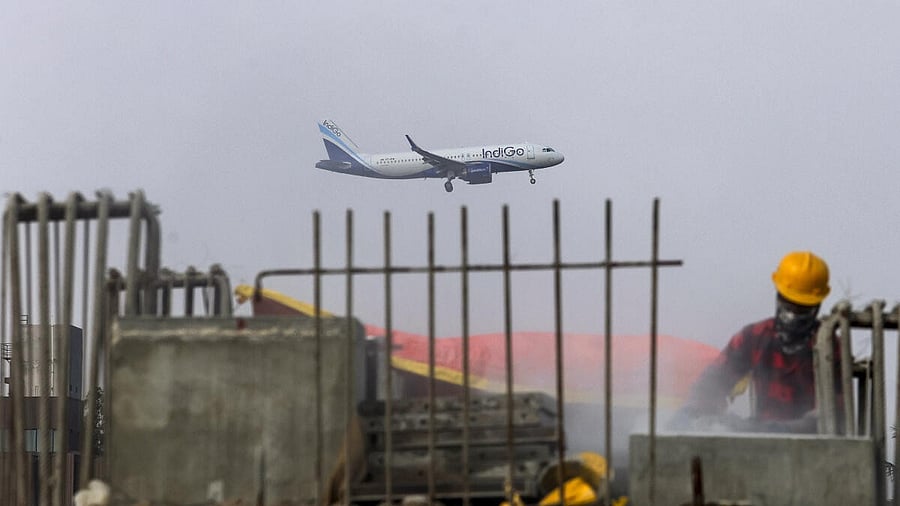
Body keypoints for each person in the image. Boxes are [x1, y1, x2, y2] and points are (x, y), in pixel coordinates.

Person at [670, 251, 841, 433]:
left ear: (817, 306)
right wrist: (692, 412)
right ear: (778, 297)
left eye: (802, 308)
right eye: (789, 305)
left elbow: (831, 415)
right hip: (760, 443)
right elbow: (713, 381)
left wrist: (774, 430)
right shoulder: (754, 337)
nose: (793, 315)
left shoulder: (828, 348)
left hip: (810, 449)